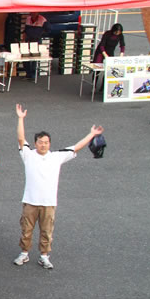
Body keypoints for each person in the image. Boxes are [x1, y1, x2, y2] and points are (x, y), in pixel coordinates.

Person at [14, 104, 103, 269]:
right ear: (35, 143)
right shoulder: (28, 154)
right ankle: (24, 253)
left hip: (49, 203)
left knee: (47, 231)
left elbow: (77, 147)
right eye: (40, 142)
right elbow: (20, 138)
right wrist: (20, 118)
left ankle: (44, 256)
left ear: (49, 144)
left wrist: (91, 134)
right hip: (30, 201)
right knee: (26, 229)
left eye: (46, 142)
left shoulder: (57, 157)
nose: (43, 145)